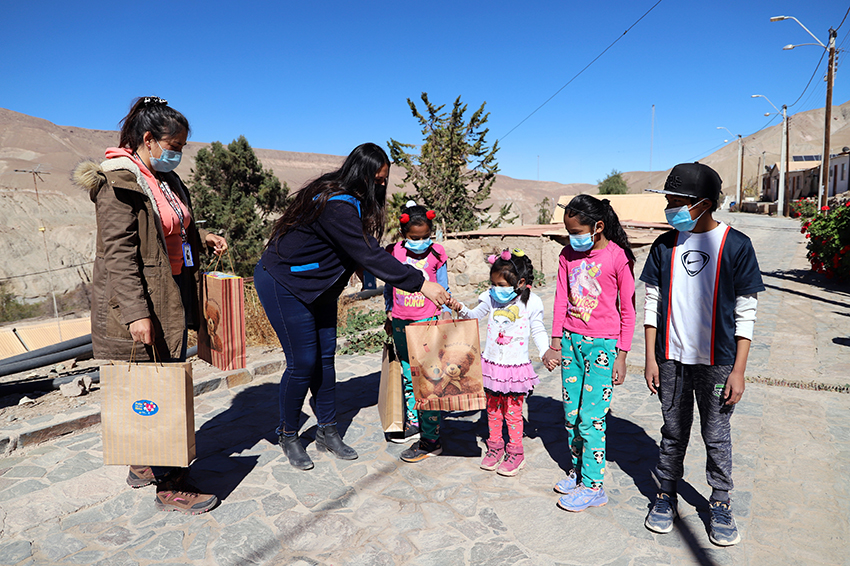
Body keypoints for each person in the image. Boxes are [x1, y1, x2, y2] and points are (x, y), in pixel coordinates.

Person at [254, 143, 450, 471]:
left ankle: (327, 430)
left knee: (325, 357)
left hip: (319, 286)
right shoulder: (336, 202)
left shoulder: (352, 200)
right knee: (303, 362)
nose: (382, 185)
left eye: (385, 179)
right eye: (378, 179)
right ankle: (288, 434)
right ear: (363, 174)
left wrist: (357, 261)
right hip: (285, 283)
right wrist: (421, 283)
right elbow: (369, 254)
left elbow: (364, 246)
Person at [74, 96, 227, 514]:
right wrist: (137, 313)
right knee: (160, 391)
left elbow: (168, 228)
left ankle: (143, 463)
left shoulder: (162, 179)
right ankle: (171, 485)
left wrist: (202, 237)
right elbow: (118, 254)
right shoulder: (117, 182)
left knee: (153, 385)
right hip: (143, 302)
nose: (177, 153)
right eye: (173, 144)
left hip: (171, 293)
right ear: (148, 139)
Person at [640, 162, 764, 546]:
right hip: (671, 360)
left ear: (704, 204)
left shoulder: (736, 245)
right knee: (673, 432)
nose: (669, 208)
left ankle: (721, 501)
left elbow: (746, 312)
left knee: (716, 434)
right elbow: (651, 302)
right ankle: (665, 495)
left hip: (719, 361)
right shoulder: (665, 245)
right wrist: (650, 358)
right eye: (668, 200)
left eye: (677, 201)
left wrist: (739, 370)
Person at [542, 194, 636, 512]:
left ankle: (594, 487)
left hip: (603, 347)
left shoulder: (617, 258)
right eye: (569, 231)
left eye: (576, 230)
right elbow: (559, 299)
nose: (572, 237)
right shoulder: (567, 255)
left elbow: (628, 310)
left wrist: (622, 354)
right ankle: (579, 472)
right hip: (571, 342)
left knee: (590, 419)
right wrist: (556, 341)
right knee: (570, 416)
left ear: (597, 226)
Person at [441, 249, 549, 475]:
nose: (496, 289)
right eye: (493, 284)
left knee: (512, 412)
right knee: (492, 410)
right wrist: (459, 308)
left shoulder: (531, 302)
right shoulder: (489, 298)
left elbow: (538, 329)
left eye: (501, 285)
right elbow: (473, 316)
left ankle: (516, 453)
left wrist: (545, 351)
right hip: (491, 366)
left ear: (519, 282)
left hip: (514, 369)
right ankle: (495, 447)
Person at [383, 201, 452, 445]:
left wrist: (445, 311)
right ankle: (414, 422)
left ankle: (431, 430)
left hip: (427, 321)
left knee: (429, 377)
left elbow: (443, 286)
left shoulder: (437, 252)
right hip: (402, 322)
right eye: (414, 237)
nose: (419, 242)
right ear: (403, 234)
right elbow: (389, 285)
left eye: (424, 237)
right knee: (408, 374)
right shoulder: (395, 252)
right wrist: (389, 312)